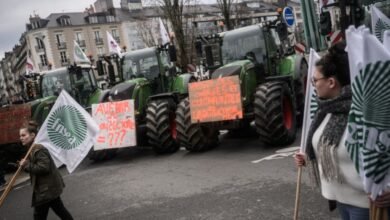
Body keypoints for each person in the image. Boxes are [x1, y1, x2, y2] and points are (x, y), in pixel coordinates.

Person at [294, 41, 370, 220]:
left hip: (366, 204)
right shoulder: (325, 110)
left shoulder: (361, 113)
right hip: (341, 201)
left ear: (331, 82)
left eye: (315, 80)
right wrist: (307, 156)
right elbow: (329, 149)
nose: (313, 84)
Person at [19, 121, 73, 220]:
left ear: (32, 135)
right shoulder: (32, 148)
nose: (21, 137)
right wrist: (25, 166)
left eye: (23, 135)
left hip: (45, 190)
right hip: (48, 188)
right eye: (20, 136)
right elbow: (36, 168)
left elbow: (44, 168)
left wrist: (27, 165)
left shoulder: (38, 149)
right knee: (60, 210)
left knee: (39, 216)